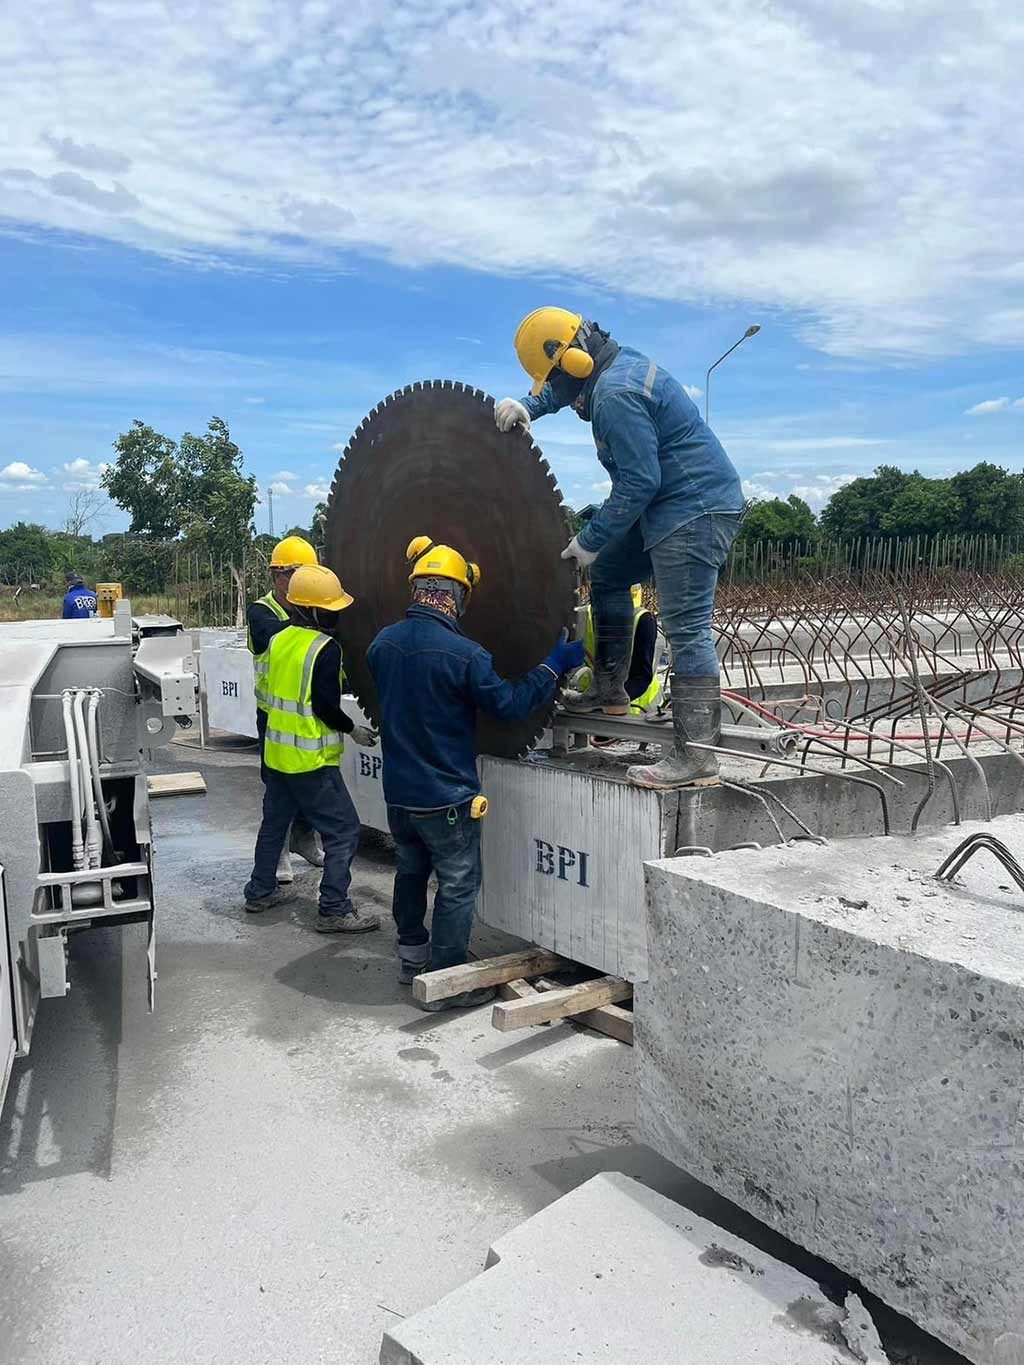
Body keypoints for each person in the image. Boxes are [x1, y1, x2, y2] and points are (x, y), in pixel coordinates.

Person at [494, 308, 744, 790]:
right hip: (666, 504)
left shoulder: (616, 394)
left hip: (694, 507)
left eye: (556, 381)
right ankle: (609, 691)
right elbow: (562, 385)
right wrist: (530, 405)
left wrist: (589, 539)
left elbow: (640, 481)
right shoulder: (610, 366)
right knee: (608, 573)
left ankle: (696, 758)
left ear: (575, 361)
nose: (565, 398)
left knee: (686, 626)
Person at [366, 536, 584, 1009]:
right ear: (457, 595)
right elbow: (508, 705)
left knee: (409, 869)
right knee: (458, 883)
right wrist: (552, 666)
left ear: (417, 588)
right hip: (446, 796)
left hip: (399, 792)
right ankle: (446, 981)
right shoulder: (466, 656)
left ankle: (411, 956)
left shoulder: (381, 645)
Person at [243, 563, 381, 934]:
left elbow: (275, 695)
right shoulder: (325, 648)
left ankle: (260, 891)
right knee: (345, 832)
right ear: (315, 609)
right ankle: (334, 908)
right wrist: (354, 731)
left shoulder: (279, 639)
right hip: (310, 760)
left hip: (277, 754)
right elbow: (323, 705)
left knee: (274, 825)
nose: (337, 613)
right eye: (332, 607)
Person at [247, 536, 324, 883]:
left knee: (314, 782)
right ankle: (278, 853)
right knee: (279, 789)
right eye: (294, 573)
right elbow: (272, 636)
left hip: (311, 712)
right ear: (277, 575)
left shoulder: (312, 607)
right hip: (275, 716)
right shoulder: (262, 611)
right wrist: (312, 620)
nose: (299, 581)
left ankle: (304, 839)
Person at [573, 585, 663, 717]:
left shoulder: (642, 619)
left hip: (639, 708)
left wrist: (608, 700)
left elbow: (641, 676)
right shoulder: (582, 616)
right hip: (591, 702)